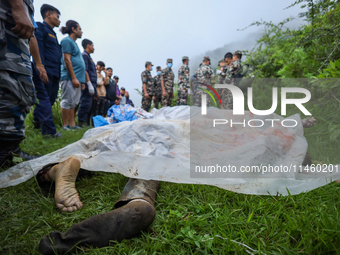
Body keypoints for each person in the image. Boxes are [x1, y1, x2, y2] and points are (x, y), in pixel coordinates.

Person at [0, 0, 42, 167]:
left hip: (12, 23)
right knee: (13, 86)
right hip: (7, 21)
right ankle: (5, 152)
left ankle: (8, 150)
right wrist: (17, 6)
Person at [31, 4, 62, 138]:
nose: (59, 20)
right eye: (57, 16)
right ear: (48, 14)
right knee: (44, 99)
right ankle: (49, 131)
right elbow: (39, 48)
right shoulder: (41, 28)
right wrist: (40, 66)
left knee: (50, 99)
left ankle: (37, 124)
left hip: (55, 71)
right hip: (45, 69)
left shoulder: (54, 34)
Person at [59, 20, 85, 130]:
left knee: (73, 103)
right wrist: (74, 78)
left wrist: (81, 80)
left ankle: (72, 124)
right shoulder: (67, 41)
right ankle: (65, 125)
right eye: (79, 29)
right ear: (73, 29)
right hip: (69, 77)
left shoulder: (74, 44)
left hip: (77, 79)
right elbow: (67, 60)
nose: (81, 31)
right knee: (66, 101)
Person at [78, 39, 95, 126]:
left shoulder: (89, 57)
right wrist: (89, 84)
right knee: (85, 104)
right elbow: (85, 70)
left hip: (92, 84)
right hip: (88, 84)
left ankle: (87, 124)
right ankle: (81, 122)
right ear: (88, 45)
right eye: (92, 45)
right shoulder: (84, 56)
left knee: (89, 106)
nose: (94, 48)